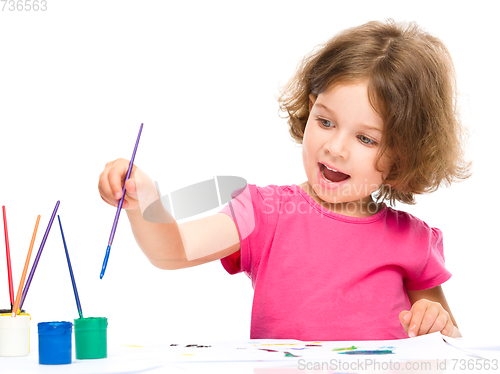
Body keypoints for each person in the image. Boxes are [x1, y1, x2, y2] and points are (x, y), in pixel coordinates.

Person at [98, 20, 470, 341]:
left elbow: (445, 338)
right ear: (309, 109)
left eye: (366, 138)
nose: (336, 147)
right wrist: (144, 199)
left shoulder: (413, 241)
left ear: (403, 155)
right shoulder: (263, 212)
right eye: (325, 122)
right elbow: (173, 250)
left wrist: (438, 326)